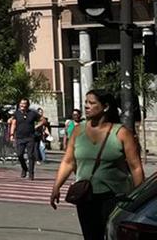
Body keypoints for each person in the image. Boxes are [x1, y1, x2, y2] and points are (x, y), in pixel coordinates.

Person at [50, 90, 145, 240]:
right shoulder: (77, 130)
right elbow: (68, 161)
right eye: (86, 102)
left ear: (105, 107)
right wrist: (56, 187)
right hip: (86, 197)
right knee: (91, 236)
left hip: (115, 197)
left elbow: (135, 167)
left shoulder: (121, 133)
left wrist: (140, 197)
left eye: (92, 103)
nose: (86, 106)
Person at [8, 97, 40, 179]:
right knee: (19, 154)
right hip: (20, 137)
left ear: (27, 105)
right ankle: (24, 168)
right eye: (21, 103)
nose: (22, 105)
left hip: (30, 137)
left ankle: (31, 173)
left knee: (30, 155)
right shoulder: (16, 113)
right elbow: (13, 124)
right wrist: (11, 134)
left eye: (24, 103)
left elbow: (43, 120)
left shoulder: (32, 113)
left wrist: (36, 126)